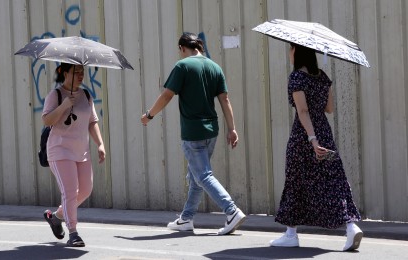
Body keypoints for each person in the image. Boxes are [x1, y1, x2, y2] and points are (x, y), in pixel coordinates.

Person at [141, 32, 246, 235]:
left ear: (182, 48)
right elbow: (225, 100)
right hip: (212, 130)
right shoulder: (214, 67)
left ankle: (232, 211)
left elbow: (167, 95)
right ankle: (186, 218)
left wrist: (149, 115)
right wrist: (232, 129)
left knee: (203, 175)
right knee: (196, 174)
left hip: (193, 131)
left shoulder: (183, 66)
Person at [269, 43, 363, 251]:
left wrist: (312, 140)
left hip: (304, 137)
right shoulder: (322, 76)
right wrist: (319, 136)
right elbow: (328, 109)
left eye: (290, 50)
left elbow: (303, 111)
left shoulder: (296, 78)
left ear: (296, 52)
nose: (289, 54)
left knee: (296, 179)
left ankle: (291, 234)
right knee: (333, 178)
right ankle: (350, 226)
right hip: (324, 133)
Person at [42, 63, 106, 247]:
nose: (80, 75)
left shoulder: (86, 95)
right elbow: (47, 120)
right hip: (60, 150)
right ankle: (73, 232)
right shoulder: (56, 95)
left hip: (81, 151)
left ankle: (57, 217)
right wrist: (63, 106)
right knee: (70, 192)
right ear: (64, 73)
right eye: (76, 72)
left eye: (82, 72)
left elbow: (92, 122)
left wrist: (100, 144)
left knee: (85, 190)